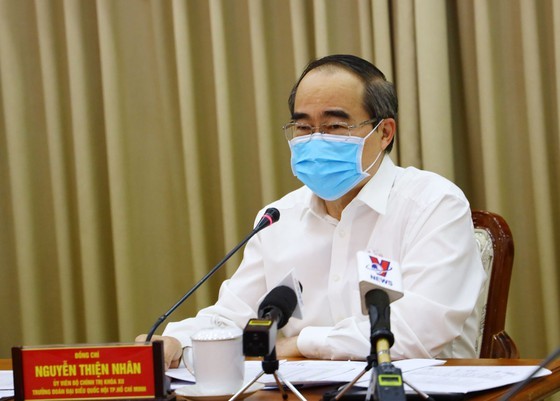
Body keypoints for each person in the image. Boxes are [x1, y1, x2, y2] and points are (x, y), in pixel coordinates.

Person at [136, 54, 485, 370]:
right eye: (303, 127)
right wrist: (177, 340)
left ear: (384, 133)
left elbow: (421, 328)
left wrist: (302, 345)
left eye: (334, 126)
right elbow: (235, 316)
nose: (316, 140)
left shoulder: (433, 204)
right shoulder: (277, 218)